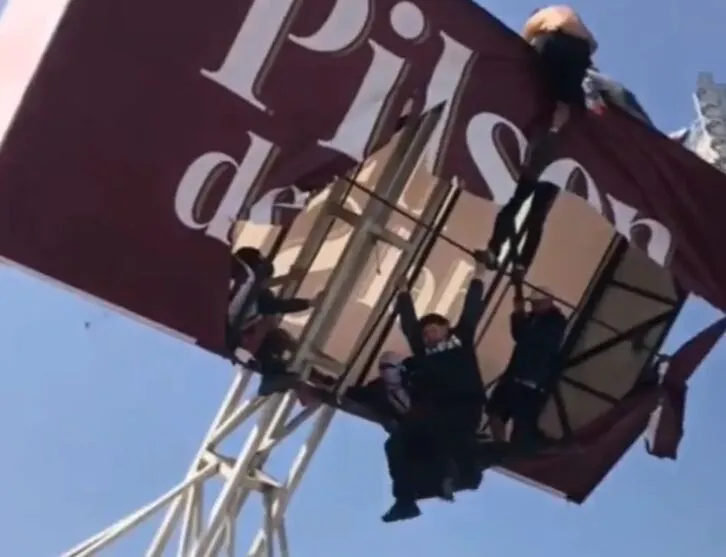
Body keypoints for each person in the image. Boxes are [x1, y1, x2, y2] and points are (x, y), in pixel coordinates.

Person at [480, 6, 599, 274]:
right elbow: (592, 46)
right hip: (552, 159)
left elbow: (525, 45)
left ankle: (495, 249)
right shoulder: (573, 24)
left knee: (518, 205)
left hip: (543, 155)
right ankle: (520, 262)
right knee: (536, 213)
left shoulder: (544, 18)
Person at [381, 254, 488, 523]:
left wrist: (479, 273)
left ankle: (446, 475)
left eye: (433, 331)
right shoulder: (423, 351)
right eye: (426, 333)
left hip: (466, 405)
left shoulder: (461, 339)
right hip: (439, 410)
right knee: (396, 443)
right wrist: (403, 291)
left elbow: (472, 309)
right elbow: (408, 325)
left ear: (445, 329)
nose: (429, 336)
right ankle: (405, 500)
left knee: (441, 439)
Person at [227, 247, 319, 396]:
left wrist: (287, 278)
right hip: (233, 339)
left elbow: (260, 292)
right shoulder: (249, 282)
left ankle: (277, 375)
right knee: (274, 339)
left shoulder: (232, 273)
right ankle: (278, 376)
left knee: (272, 339)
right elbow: (274, 305)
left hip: (223, 332)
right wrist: (310, 303)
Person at [488, 279, 567, 445]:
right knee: (495, 411)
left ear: (548, 302)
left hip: (531, 382)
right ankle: (501, 448)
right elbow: (518, 334)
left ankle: (510, 455)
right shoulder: (532, 318)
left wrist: (519, 314)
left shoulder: (556, 321)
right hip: (514, 376)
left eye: (537, 303)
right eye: (533, 303)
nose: (534, 306)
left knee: (521, 427)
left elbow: (527, 337)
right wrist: (518, 313)